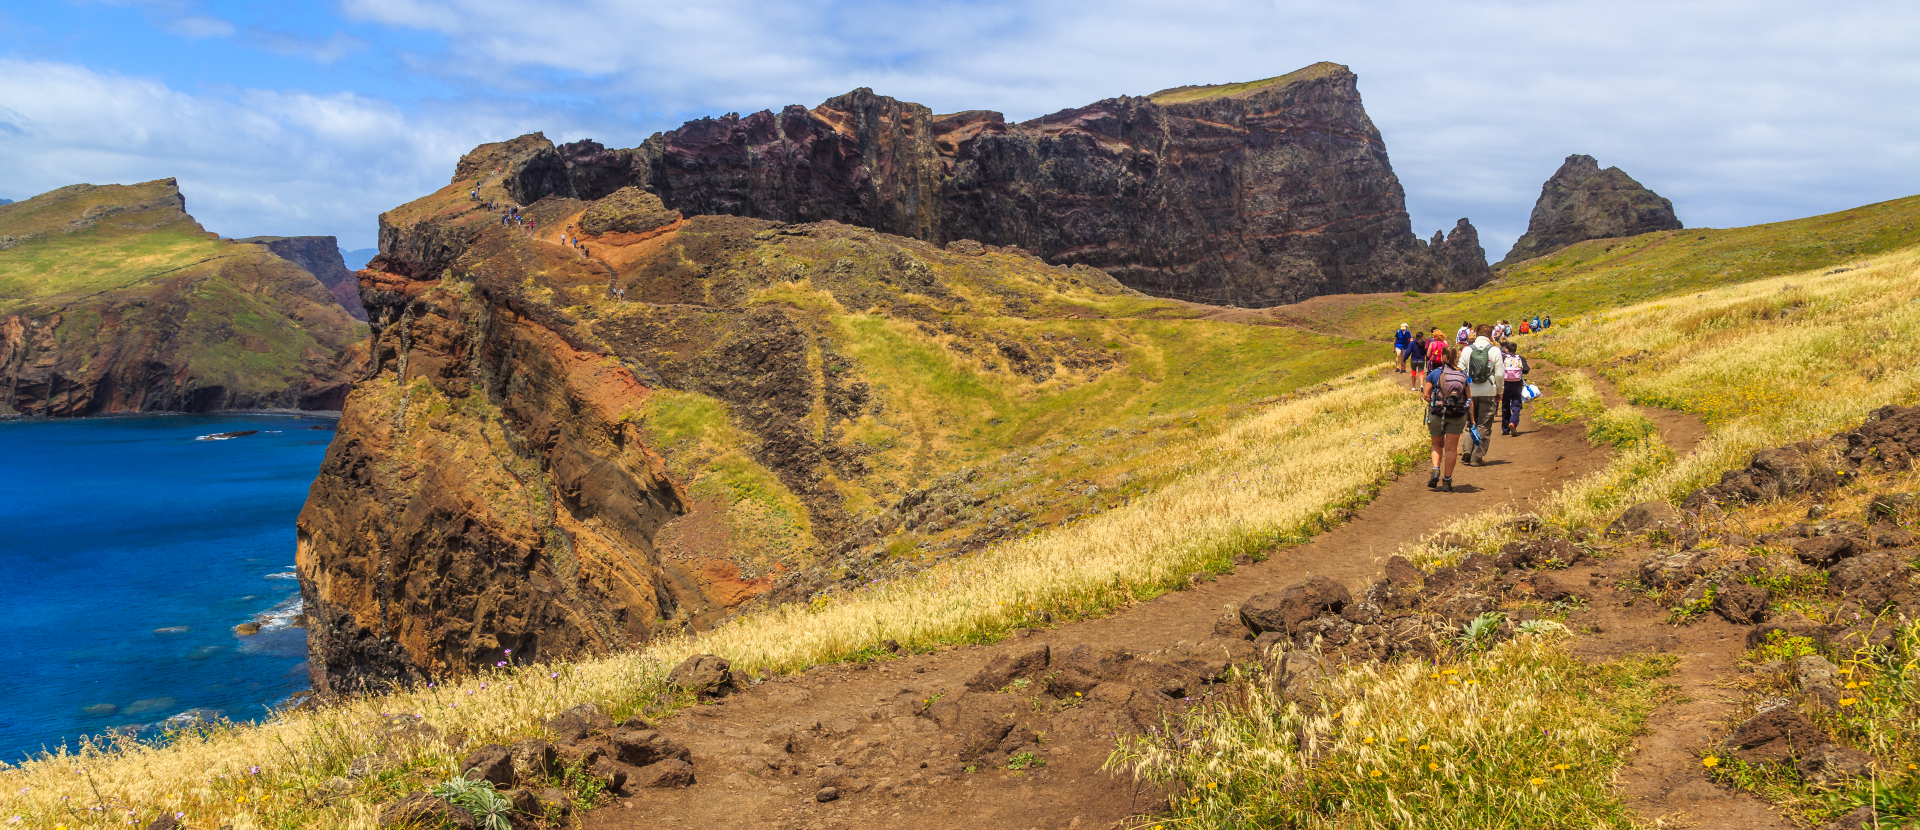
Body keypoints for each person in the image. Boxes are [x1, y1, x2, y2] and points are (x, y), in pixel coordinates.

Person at [1456, 324, 1505, 466]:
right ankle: (1476, 457)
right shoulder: (1495, 350)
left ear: (1476, 334)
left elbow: (1461, 370)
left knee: (1470, 421)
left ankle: (1466, 450)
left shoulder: (1467, 350)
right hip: (1488, 391)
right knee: (1484, 424)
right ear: (1490, 335)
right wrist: (1500, 391)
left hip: (1470, 391)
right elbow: (1500, 374)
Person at [1425, 344, 1470, 492]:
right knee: (1451, 449)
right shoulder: (1463, 375)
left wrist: (1435, 403)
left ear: (1443, 357)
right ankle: (1447, 481)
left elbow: (1426, 395)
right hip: (1457, 414)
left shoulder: (1435, 373)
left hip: (1438, 412)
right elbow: (1469, 399)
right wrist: (1473, 418)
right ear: (1456, 357)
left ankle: (1436, 470)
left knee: (1436, 444)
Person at [1500, 342, 1531, 435]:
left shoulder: (1503, 358)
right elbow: (1526, 370)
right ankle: (1513, 422)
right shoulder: (1520, 358)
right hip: (1517, 385)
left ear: (1507, 350)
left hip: (1505, 384)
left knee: (1505, 406)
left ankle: (1505, 430)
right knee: (1516, 405)